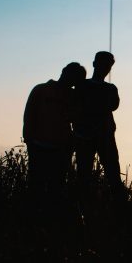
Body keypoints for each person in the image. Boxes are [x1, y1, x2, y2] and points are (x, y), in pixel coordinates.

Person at [23, 62, 86, 201]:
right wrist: (29, 140)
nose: (71, 80)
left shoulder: (74, 96)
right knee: (36, 187)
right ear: (64, 71)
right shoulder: (41, 89)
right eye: (71, 75)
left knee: (57, 189)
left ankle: (52, 218)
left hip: (61, 150)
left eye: (76, 79)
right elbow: (29, 115)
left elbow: (78, 118)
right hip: (38, 146)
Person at [74, 51, 125, 206]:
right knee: (83, 175)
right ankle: (83, 208)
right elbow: (76, 106)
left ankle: (120, 208)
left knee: (113, 175)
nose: (105, 68)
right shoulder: (82, 85)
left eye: (108, 65)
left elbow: (114, 105)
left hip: (105, 136)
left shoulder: (110, 88)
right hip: (84, 136)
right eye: (103, 64)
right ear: (95, 64)